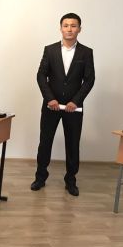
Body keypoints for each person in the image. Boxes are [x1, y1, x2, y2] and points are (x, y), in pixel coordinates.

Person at [32, 13, 95, 196]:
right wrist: (49, 98)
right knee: (45, 142)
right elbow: (41, 75)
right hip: (51, 105)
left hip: (74, 108)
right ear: (60, 28)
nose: (69, 29)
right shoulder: (50, 50)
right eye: (66, 25)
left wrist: (75, 101)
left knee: (73, 144)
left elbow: (89, 80)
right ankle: (40, 177)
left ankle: (71, 180)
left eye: (73, 26)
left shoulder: (86, 52)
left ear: (79, 29)